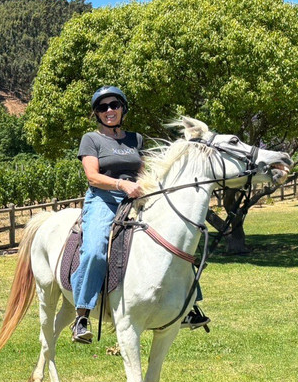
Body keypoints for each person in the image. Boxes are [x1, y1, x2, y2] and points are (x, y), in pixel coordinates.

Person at [68, 86, 209, 344]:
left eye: (114, 105)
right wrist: (121, 185)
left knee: (175, 240)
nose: (109, 111)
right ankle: (82, 315)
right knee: (95, 250)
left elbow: (143, 171)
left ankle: (189, 306)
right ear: (97, 114)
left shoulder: (136, 139)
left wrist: (149, 188)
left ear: (122, 108)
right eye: (103, 107)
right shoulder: (91, 139)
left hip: (137, 198)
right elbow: (92, 176)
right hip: (104, 199)